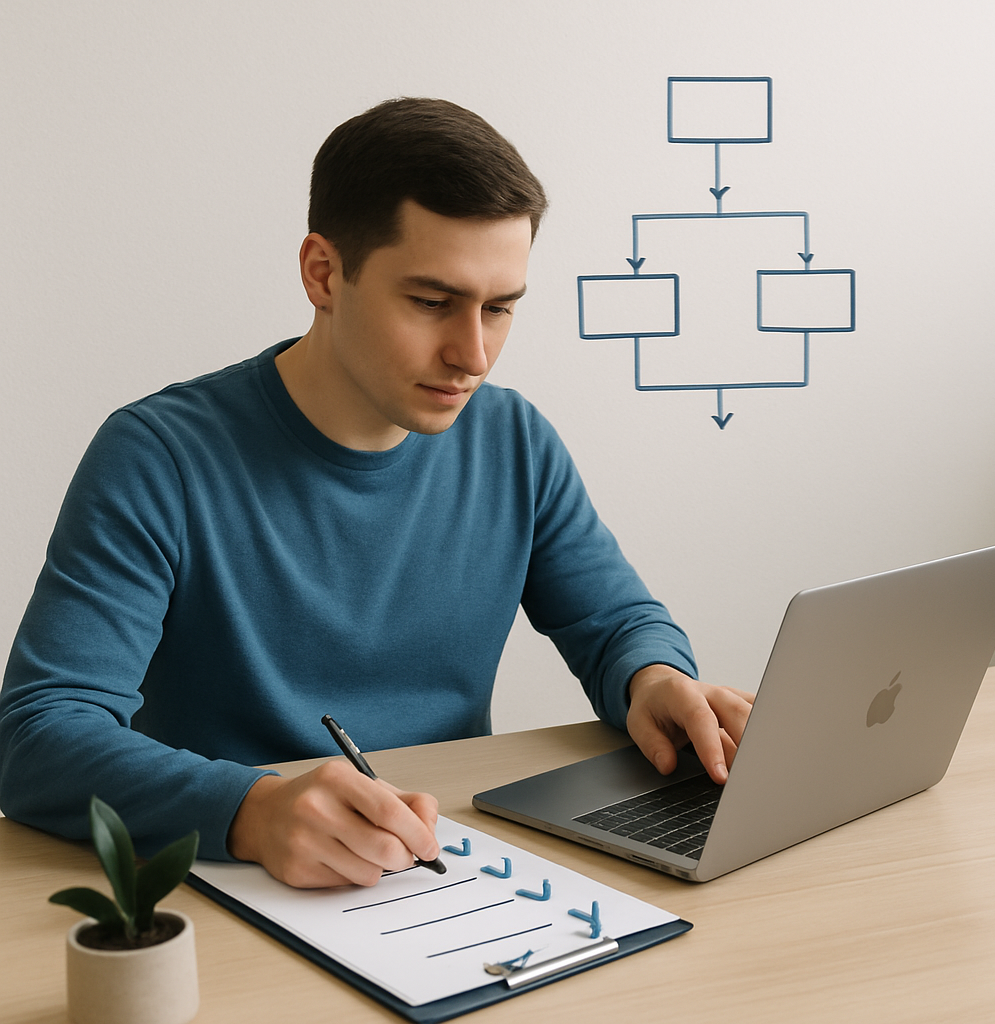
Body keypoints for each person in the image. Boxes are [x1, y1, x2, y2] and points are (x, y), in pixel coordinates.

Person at [0, 98, 753, 888]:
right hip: (228, 887)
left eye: (499, 309)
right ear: (323, 273)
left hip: (436, 870)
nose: (473, 354)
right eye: (432, 302)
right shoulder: (158, 457)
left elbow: (614, 623)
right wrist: (250, 808)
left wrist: (654, 679)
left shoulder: (513, 440)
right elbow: (39, 735)